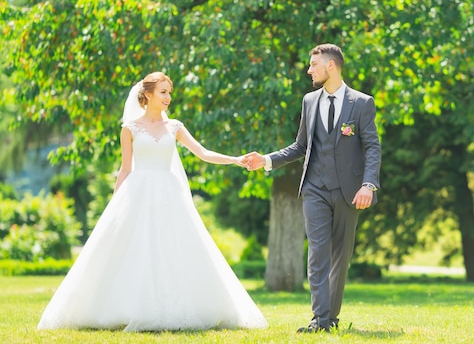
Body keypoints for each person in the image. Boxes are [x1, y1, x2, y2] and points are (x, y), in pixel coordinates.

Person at [38, 72, 268, 332]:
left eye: (169, 92)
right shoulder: (130, 129)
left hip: (169, 195)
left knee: (175, 247)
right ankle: (128, 306)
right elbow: (125, 168)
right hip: (137, 193)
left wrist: (235, 159)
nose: (168, 97)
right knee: (135, 248)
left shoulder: (175, 126)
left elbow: (203, 153)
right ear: (147, 94)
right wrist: (115, 204)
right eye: (163, 92)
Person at [245, 43, 381, 333]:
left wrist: (368, 184)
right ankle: (319, 320)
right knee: (317, 254)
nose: (309, 70)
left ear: (330, 66)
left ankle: (331, 317)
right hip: (314, 188)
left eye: (314, 65)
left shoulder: (361, 103)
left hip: (349, 192)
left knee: (340, 258)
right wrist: (266, 160)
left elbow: (371, 147)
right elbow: (300, 146)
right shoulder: (309, 101)